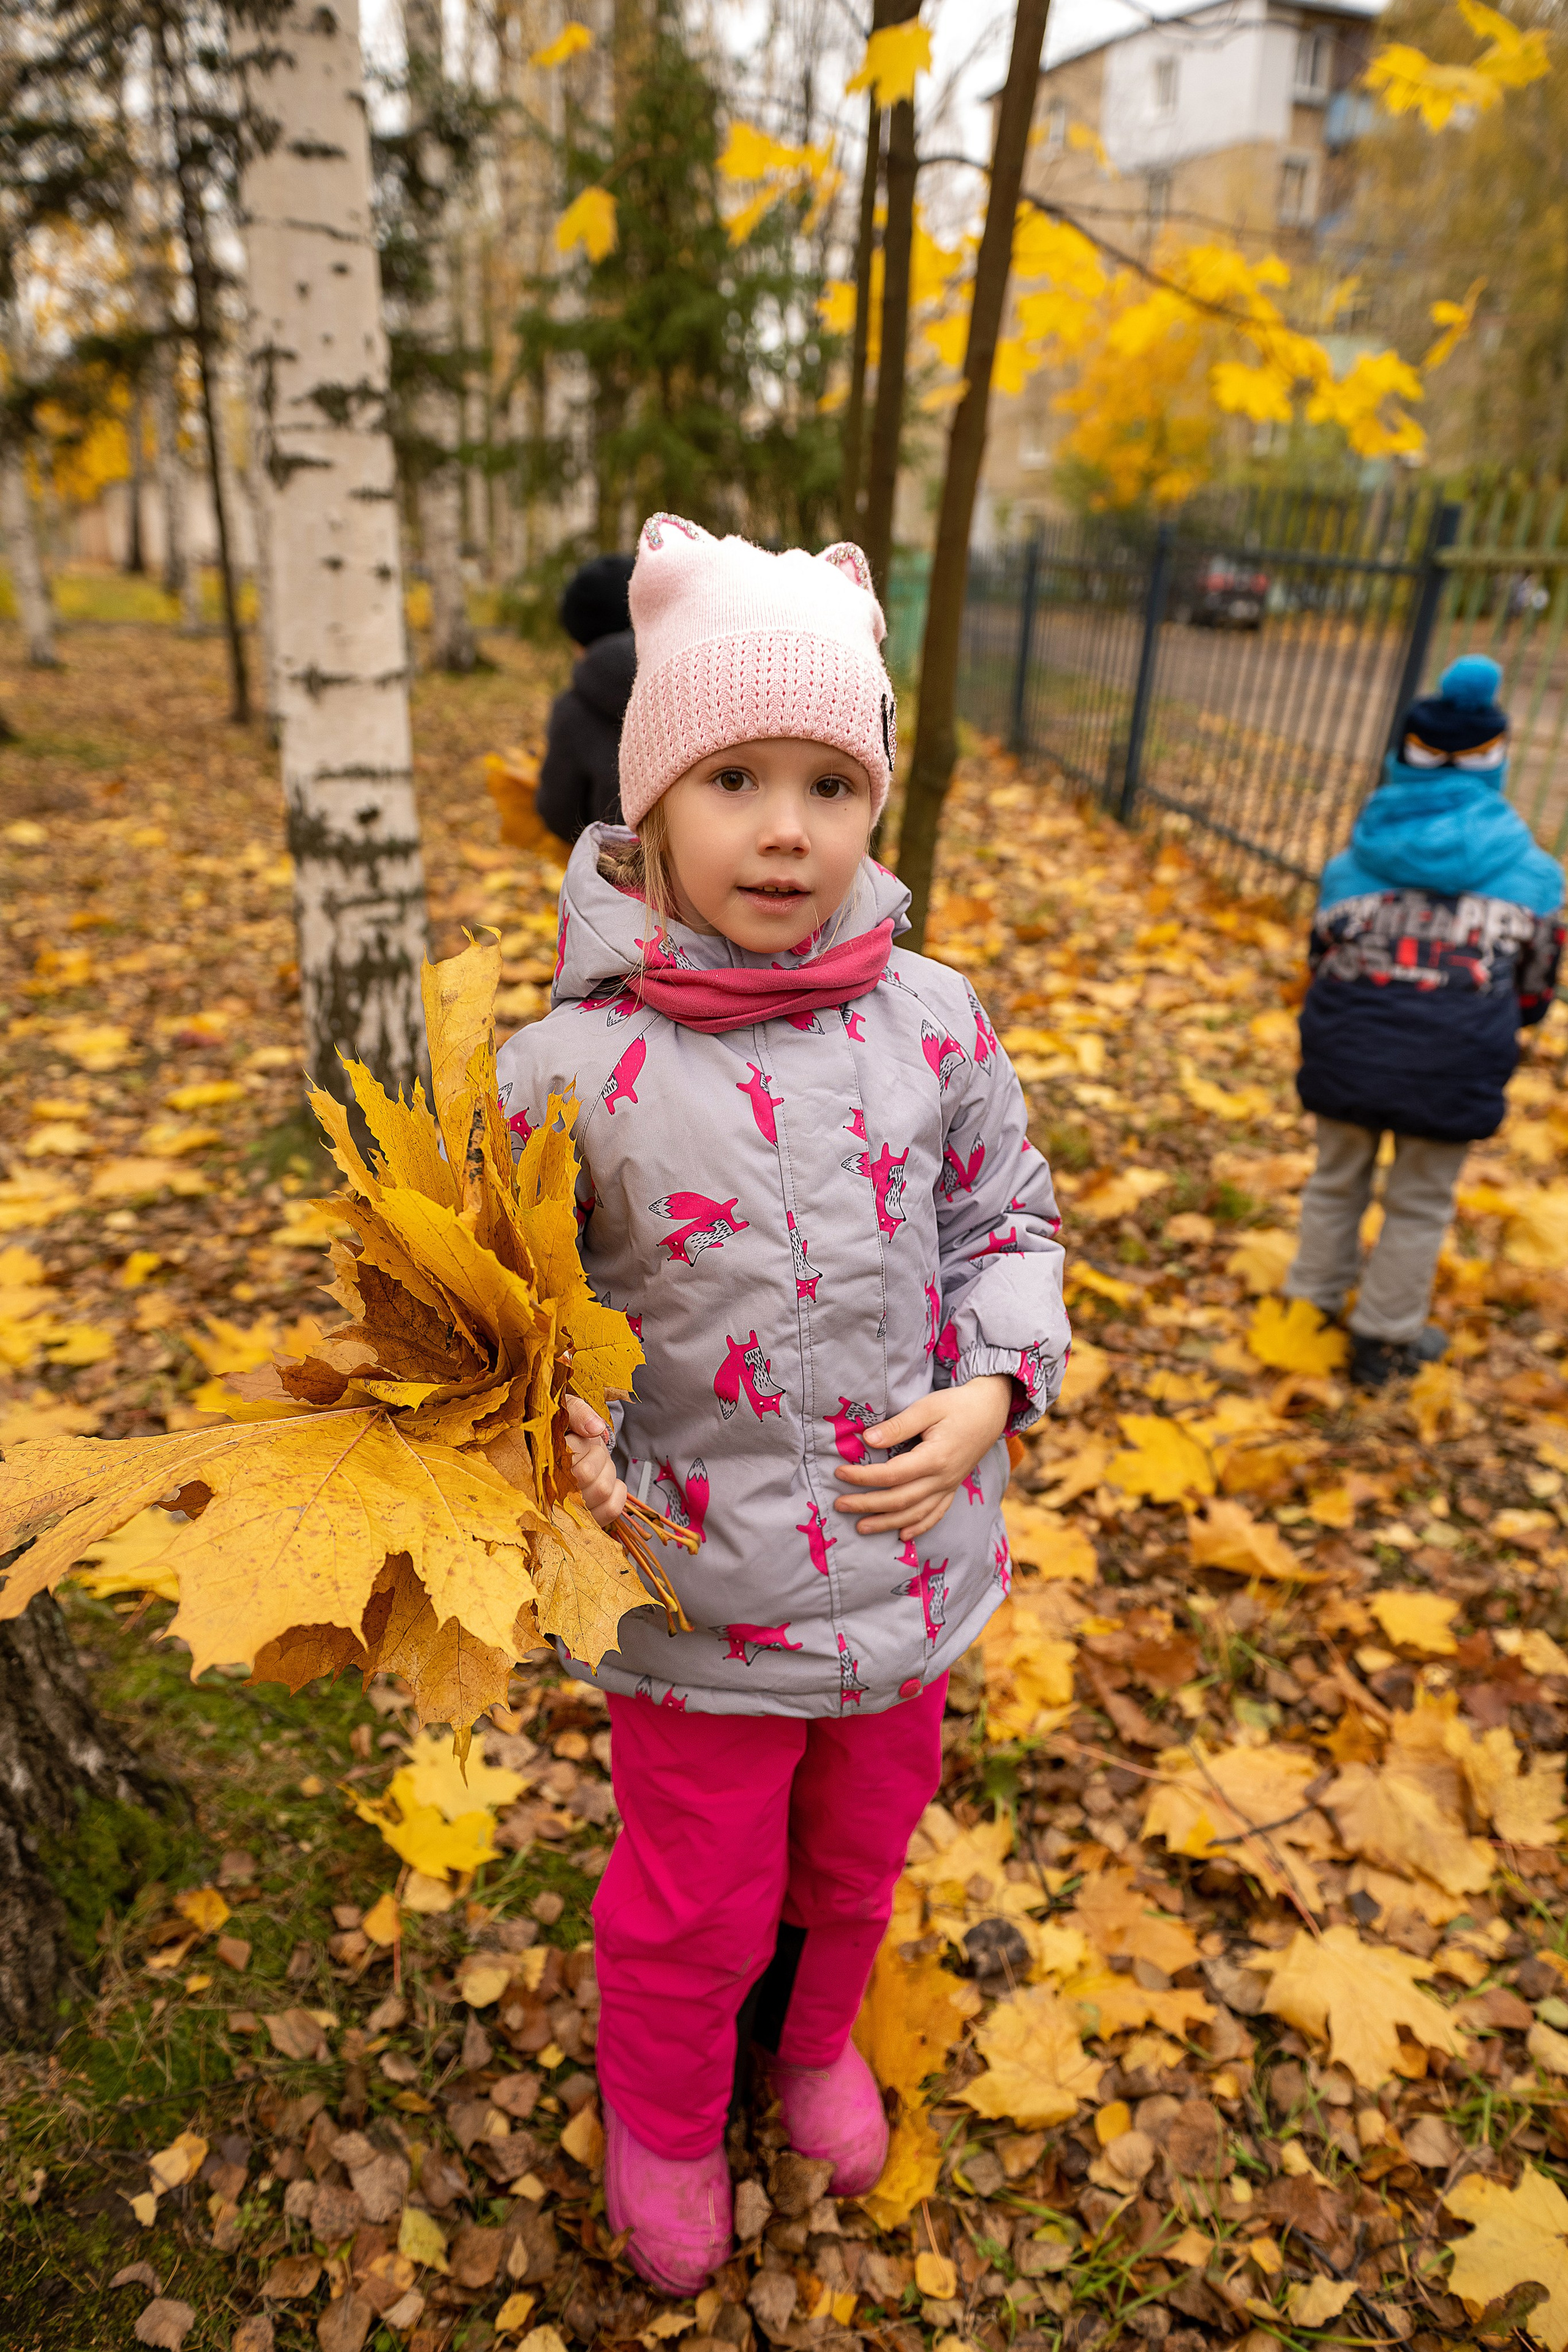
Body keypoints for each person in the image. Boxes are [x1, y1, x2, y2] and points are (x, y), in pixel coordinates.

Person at [496, 514, 1069, 2293]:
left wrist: (993, 1386)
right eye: (733, 777)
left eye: (829, 783)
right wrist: (555, 1440)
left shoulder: (934, 1022)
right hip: (694, 1590)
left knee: (854, 1854)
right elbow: (510, 1318)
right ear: (651, 800)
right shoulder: (568, 1067)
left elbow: (1007, 1218)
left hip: (906, 1578)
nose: (784, 827)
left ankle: (814, 2042)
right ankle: (666, 2112)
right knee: (694, 1893)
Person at [1287, 654, 1564, 1390]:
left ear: (1403, 754)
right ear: (1495, 761)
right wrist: (1498, 1016)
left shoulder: (1351, 864)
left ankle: (1307, 1309)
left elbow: (1319, 957)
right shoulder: (1533, 874)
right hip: (1456, 1058)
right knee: (1419, 1202)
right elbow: (1536, 985)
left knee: (1334, 1180)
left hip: (1348, 1048)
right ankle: (1382, 1341)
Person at [535, 552, 638, 839]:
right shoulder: (707, 680)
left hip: (615, 865)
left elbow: (560, 814)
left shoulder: (573, 711)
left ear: (579, 639)